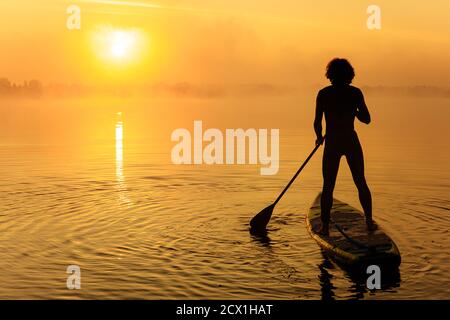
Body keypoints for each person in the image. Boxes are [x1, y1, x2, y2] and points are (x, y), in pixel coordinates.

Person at [314, 58, 377, 236]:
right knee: (360, 182)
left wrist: (319, 137)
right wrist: (354, 110)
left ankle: (325, 227)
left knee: (328, 185)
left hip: (333, 142)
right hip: (350, 140)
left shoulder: (324, 94)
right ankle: (369, 222)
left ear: (330, 75)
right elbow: (367, 119)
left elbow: (317, 122)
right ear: (349, 75)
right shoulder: (355, 94)